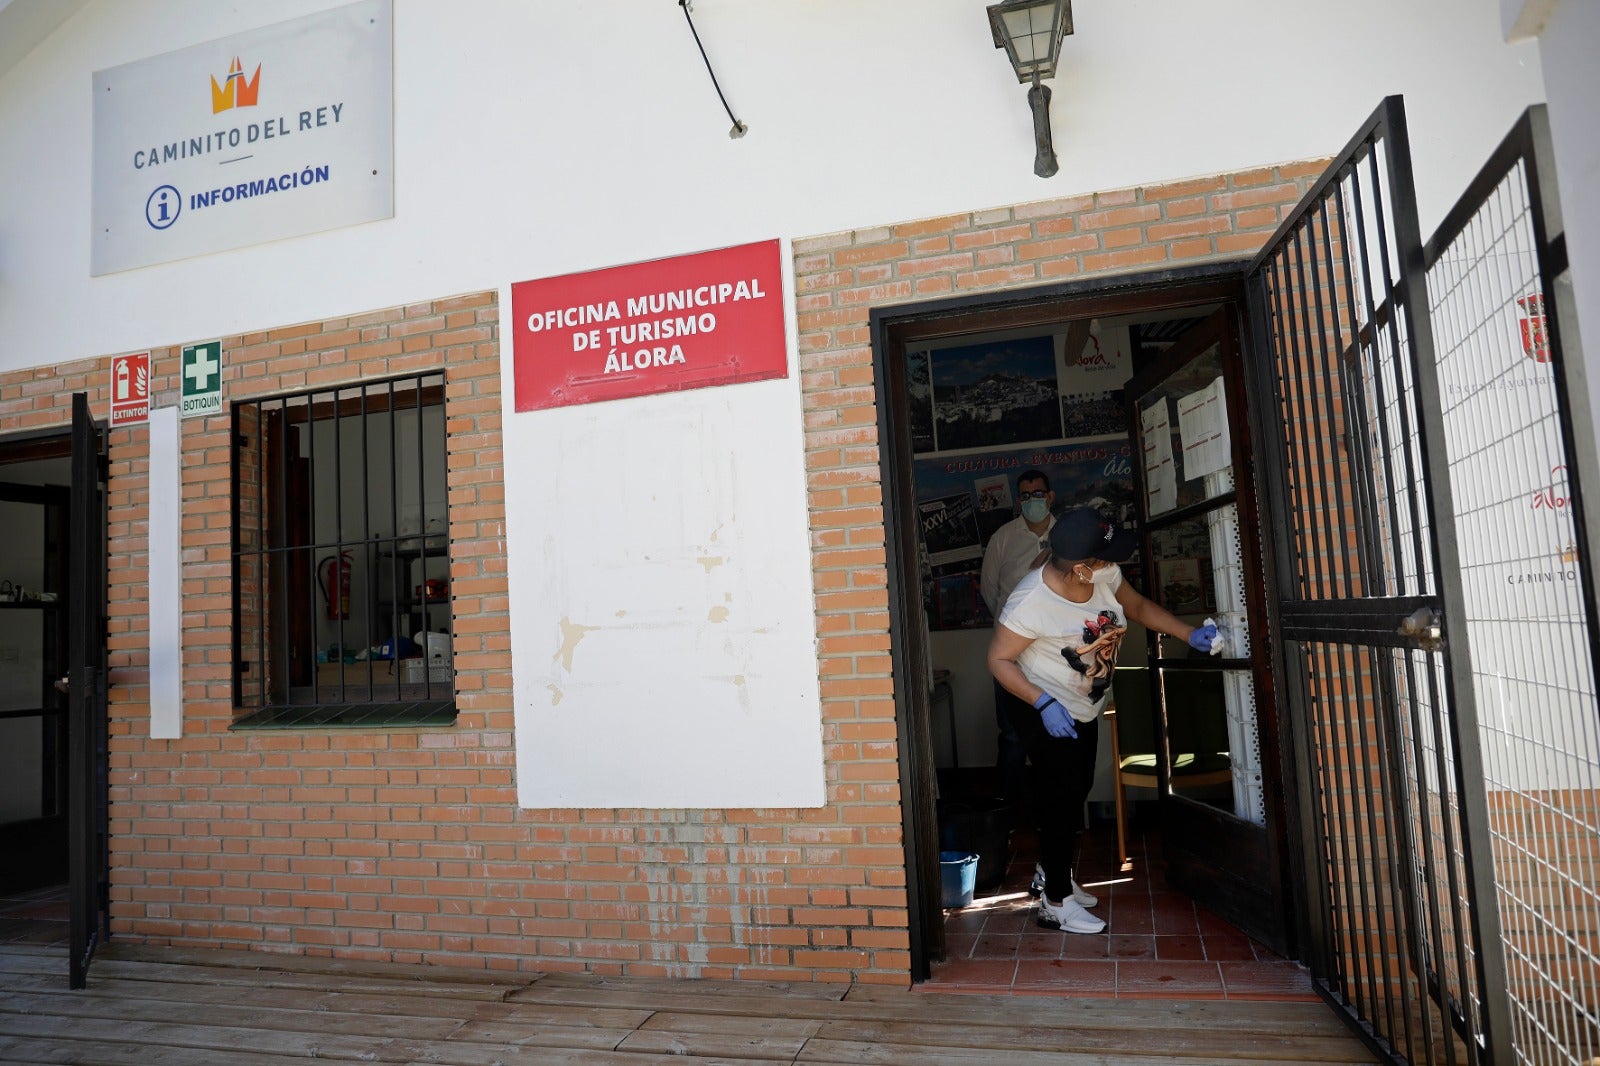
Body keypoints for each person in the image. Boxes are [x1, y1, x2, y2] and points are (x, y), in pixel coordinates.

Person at [987, 506, 1220, 934]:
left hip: (1081, 702)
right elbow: (998, 660)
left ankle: (1050, 873)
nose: (1115, 563)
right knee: (1060, 800)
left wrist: (1188, 634)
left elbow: (1135, 605)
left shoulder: (1102, 575)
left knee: (1074, 791)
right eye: (1106, 556)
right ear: (1080, 569)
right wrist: (1042, 703)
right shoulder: (1031, 601)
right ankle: (1055, 902)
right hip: (1039, 702)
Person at [978, 469, 1055, 806]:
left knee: (1055, 735)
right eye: (1025, 495)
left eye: (1038, 494)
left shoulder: (1067, 533)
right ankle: (1007, 815)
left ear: (1050, 497)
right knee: (1012, 736)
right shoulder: (1004, 537)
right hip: (1010, 655)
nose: (1032, 500)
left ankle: (1053, 813)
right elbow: (989, 591)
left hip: (1055, 654)